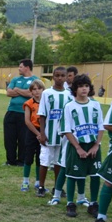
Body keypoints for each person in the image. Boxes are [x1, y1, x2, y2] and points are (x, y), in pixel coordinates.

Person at [60, 74, 103, 218]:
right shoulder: (69, 106)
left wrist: (96, 145)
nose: (84, 89)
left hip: (93, 146)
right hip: (76, 145)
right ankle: (70, 204)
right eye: (80, 86)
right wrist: (78, 148)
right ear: (75, 89)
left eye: (86, 86)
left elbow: (100, 126)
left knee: (95, 175)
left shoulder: (95, 104)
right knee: (73, 175)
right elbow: (66, 129)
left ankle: (94, 204)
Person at [37, 67, 72, 198]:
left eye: (62, 75)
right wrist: (42, 133)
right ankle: (41, 186)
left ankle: (57, 187)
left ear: (66, 77)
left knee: (59, 162)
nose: (60, 78)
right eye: (57, 75)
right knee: (45, 161)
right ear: (53, 77)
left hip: (63, 135)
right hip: (48, 133)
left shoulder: (69, 94)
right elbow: (42, 114)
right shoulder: (47, 93)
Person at [4, 59, 38, 166]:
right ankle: (10, 160)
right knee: (9, 138)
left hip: (25, 113)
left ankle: (22, 161)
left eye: (20, 67)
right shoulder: (15, 79)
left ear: (27, 67)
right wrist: (23, 91)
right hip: (11, 112)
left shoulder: (35, 80)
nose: (19, 68)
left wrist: (17, 90)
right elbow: (8, 92)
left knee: (23, 138)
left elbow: (30, 93)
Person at [21, 80, 45, 192]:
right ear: (31, 92)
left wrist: (43, 134)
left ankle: (38, 182)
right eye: (34, 89)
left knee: (41, 158)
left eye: (39, 89)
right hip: (32, 132)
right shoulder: (28, 104)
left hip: (43, 132)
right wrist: (38, 134)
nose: (37, 91)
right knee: (28, 156)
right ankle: (25, 181)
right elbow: (27, 121)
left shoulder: (47, 103)